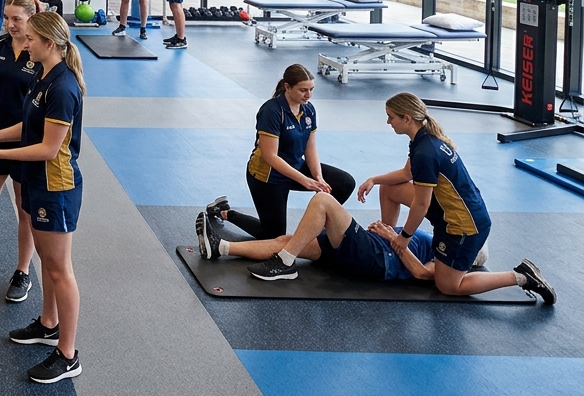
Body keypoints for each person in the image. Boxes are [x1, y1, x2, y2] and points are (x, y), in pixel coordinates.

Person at [352, 93, 556, 304]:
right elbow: (406, 174)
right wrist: (374, 180)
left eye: (391, 117)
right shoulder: (423, 138)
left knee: (448, 286)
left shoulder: (426, 152)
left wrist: (403, 238)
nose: (388, 122)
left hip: (463, 225)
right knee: (389, 187)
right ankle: (386, 240)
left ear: (407, 119)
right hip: (448, 210)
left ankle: (521, 276)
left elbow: (421, 205)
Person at [0, 11, 85, 384]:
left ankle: (68, 355)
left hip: (56, 185)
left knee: (59, 269)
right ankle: (49, 324)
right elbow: (29, 126)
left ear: (49, 44)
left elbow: (49, 149)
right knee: (51, 264)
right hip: (39, 182)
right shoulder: (43, 75)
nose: (25, 43)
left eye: (32, 39)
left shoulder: (63, 87)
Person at [205, 64, 355, 242]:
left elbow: (310, 147)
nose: (309, 95)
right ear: (287, 87)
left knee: (344, 183)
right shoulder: (272, 111)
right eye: (303, 90)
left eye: (311, 89)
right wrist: (304, 180)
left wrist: (318, 177)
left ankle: (319, 232)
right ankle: (225, 212)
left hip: (294, 167)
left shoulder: (308, 109)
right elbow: (270, 157)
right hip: (268, 176)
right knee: (274, 236)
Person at [197, 191, 437, 282]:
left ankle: (284, 264)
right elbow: (393, 193)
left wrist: (391, 237)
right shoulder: (433, 239)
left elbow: (421, 273)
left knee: (323, 200)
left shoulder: (445, 260)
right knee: (288, 241)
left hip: (374, 259)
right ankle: (221, 247)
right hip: (367, 248)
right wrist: (386, 229)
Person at [0, 0, 41, 304]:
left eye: (17, 19)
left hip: (26, 142)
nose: (10, 24)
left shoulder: (39, 53)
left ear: (31, 18)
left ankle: (23, 270)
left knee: (23, 208)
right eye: (7, 18)